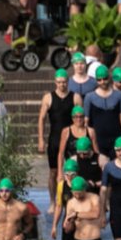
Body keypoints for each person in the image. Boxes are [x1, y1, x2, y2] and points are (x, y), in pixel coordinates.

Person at [37, 69, 80, 201]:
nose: (62, 85)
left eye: (65, 82)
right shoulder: (48, 98)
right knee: (53, 172)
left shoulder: (75, 97)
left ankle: (75, 198)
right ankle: (52, 200)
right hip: (55, 139)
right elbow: (41, 118)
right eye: (59, 82)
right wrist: (41, 139)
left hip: (71, 139)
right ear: (55, 82)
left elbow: (82, 119)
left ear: (68, 82)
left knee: (74, 171)